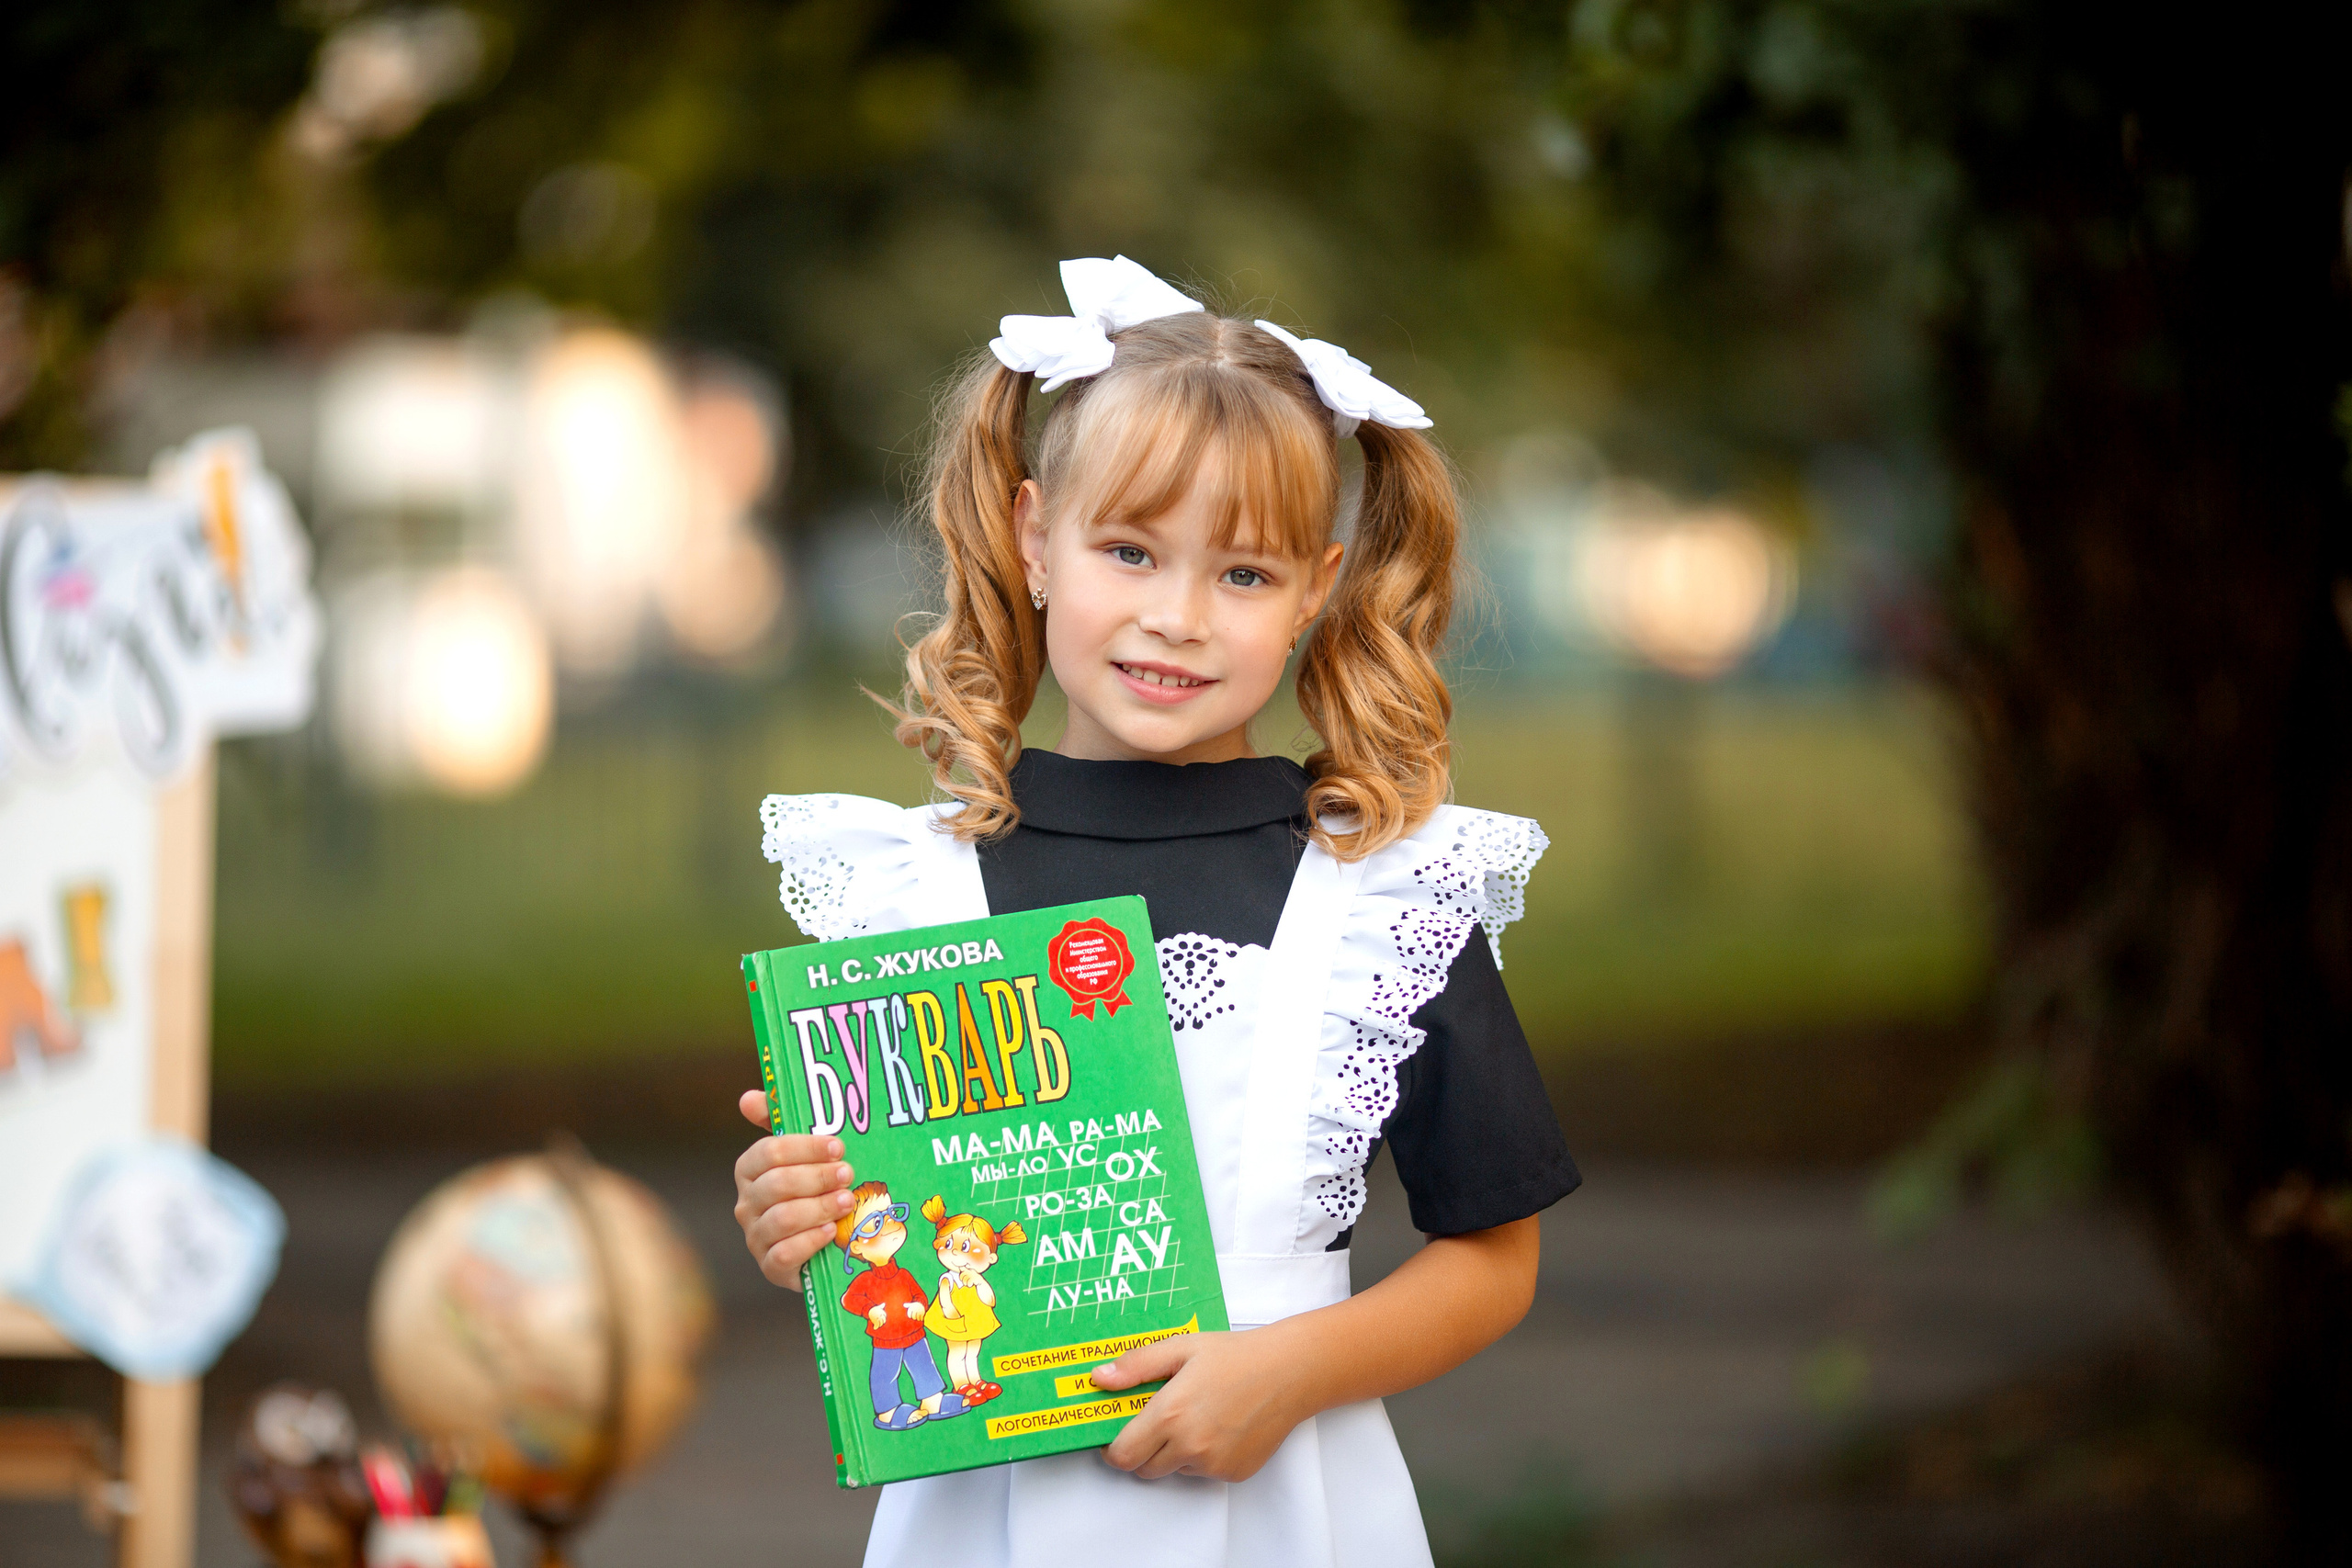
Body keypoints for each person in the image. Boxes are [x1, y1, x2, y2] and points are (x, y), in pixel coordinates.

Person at [729, 256, 1581, 1568]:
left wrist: (1285, 1373)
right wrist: (797, 1219)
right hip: (980, 1529)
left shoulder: (1383, 895)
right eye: (1130, 552)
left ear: (1316, 587)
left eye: (1243, 575)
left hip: (1293, 1519)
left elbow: (1493, 1261)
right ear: (1035, 537)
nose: (1177, 618)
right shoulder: (913, 892)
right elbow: (876, 1247)